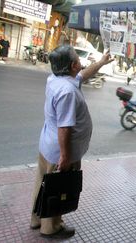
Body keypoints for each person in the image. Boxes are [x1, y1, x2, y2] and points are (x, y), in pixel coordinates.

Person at [30, 45, 113, 239]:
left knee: (42, 183)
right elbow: (64, 128)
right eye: (78, 59)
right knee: (56, 188)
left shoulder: (57, 78)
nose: (81, 62)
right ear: (73, 65)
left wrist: (101, 62)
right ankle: (51, 227)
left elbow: (82, 75)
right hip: (59, 151)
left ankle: (36, 218)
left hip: (47, 146)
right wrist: (65, 157)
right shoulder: (67, 91)